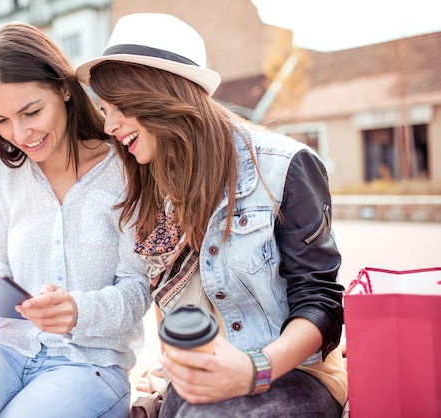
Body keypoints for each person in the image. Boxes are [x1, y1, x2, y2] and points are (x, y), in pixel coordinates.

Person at [77, 13, 347, 418]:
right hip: (197, 382)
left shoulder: (284, 166)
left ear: (162, 97)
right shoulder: (148, 185)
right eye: (104, 109)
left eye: (120, 108)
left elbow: (321, 303)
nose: (110, 125)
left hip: (294, 374)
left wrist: (253, 369)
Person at [0, 22, 151, 418]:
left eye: (31, 111)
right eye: (0, 120)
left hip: (89, 363)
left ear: (65, 88)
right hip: (5, 349)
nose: (20, 133)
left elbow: (139, 289)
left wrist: (78, 311)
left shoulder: (127, 168)